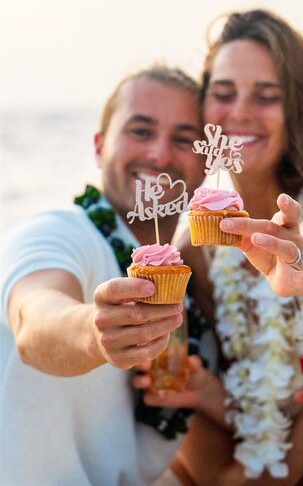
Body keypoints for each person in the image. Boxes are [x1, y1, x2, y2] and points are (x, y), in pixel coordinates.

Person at [137, 10, 303, 485]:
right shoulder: (203, 245)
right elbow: (263, 412)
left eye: (267, 96)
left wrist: (299, 256)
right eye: (222, 93)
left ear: (299, 107)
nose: (239, 112)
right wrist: (206, 393)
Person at [0, 66, 213, 486]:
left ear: (206, 163)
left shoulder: (192, 294)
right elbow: (34, 318)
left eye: (183, 138)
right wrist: (97, 332)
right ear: (99, 146)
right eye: (140, 130)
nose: (159, 154)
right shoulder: (58, 231)